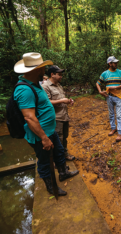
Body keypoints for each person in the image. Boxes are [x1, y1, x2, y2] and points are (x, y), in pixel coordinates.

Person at [13, 52, 79, 196]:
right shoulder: (24, 90)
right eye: (42, 69)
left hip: (49, 130)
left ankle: (63, 173)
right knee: (44, 162)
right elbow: (29, 118)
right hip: (40, 135)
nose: (45, 72)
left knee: (60, 151)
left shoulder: (35, 84)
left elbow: (44, 98)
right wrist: (44, 138)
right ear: (36, 70)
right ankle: (51, 187)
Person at [42, 65, 75, 161]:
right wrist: (62, 101)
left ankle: (64, 155)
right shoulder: (45, 87)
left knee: (64, 137)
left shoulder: (59, 85)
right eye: (59, 74)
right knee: (58, 140)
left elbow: (61, 99)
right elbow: (47, 103)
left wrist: (68, 101)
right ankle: (58, 160)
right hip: (56, 118)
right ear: (52, 74)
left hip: (64, 116)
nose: (61, 76)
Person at [96, 56, 121, 142]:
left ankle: (120, 133)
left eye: (116, 62)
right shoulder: (104, 74)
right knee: (111, 114)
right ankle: (113, 128)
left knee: (119, 115)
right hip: (108, 96)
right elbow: (98, 83)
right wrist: (100, 91)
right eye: (114, 63)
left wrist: (116, 87)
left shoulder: (120, 72)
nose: (116, 64)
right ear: (110, 64)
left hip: (118, 97)